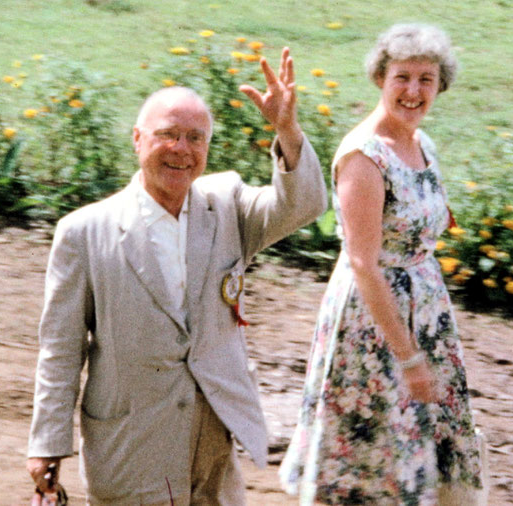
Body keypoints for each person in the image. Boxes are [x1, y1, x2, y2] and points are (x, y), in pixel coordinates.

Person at [27, 47, 327, 505]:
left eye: (195, 137)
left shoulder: (226, 204)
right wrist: (48, 443)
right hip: (133, 442)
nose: (181, 150)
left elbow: (302, 205)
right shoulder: (83, 232)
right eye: (167, 134)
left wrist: (287, 129)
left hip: (212, 440)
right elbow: (61, 348)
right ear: (137, 139)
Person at [279, 24, 487, 505]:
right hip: (374, 324)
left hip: (425, 308)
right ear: (380, 78)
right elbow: (363, 264)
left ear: (440, 85)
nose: (413, 92)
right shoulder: (363, 155)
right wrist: (409, 355)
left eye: (426, 80)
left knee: (419, 455)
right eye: (402, 77)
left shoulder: (423, 145)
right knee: (372, 457)